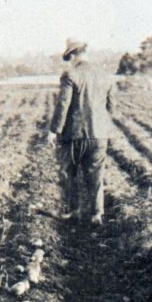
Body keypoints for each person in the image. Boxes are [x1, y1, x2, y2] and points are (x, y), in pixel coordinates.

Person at [47, 39, 116, 226]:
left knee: (69, 173)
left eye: (69, 57)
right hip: (99, 134)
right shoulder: (105, 75)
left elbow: (63, 104)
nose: (69, 61)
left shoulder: (70, 74)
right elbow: (111, 107)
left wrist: (54, 130)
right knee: (96, 175)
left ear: (73, 55)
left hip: (74, 133)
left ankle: (73, 212)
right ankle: (96, 214)